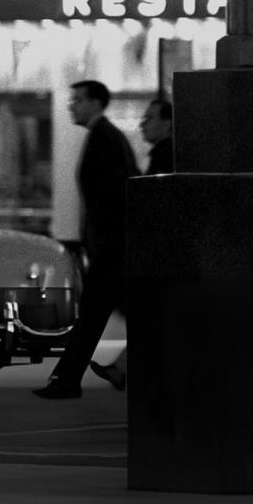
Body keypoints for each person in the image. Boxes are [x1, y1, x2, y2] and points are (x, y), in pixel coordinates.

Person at [36, 80, 139, 399]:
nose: (72, 105)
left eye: (78, 100)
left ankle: (67, 380)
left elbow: (108, 199)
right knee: (99, 317)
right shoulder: (104, 137)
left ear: (96, 103)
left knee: (98, 316)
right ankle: (68, 379)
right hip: (111, 249)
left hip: (111, 250)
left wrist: (101, 247)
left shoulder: (104, 138)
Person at [89, 97, 174, 391]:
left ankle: (125, 370)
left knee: (154, 315)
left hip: (159, 255)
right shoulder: (162, 154)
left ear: (168, 123)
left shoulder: (166, 156)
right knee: (153, 316)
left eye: (149, 118)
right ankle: (123, 368)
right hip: (157, 253)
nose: (142, 124)